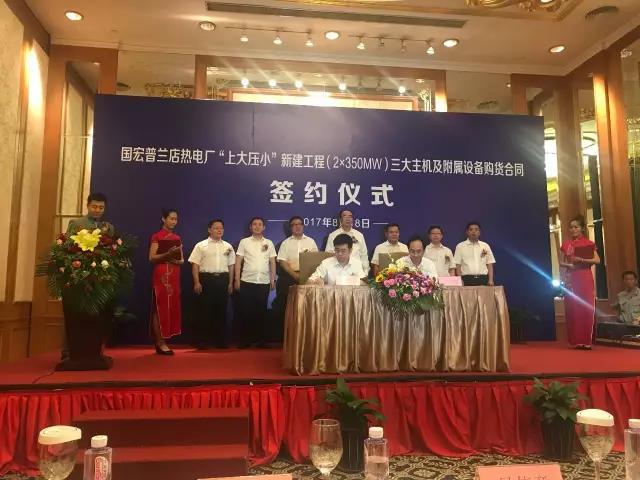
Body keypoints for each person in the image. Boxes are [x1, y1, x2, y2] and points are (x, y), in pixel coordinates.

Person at [188, 219, 236, 349]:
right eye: (216, 228)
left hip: (223, 280)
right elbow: (195, 264)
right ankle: (203, 341)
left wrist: (230, 283)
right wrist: (197, 282)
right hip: (206, 279)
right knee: (205, 311)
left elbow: (231, 266)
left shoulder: (228, 246)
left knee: (221, 311)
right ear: (209, 230)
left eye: (221, 228)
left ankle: (220, 341)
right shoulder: (201, 245)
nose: (219, 230)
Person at [559, 215, 601, 349]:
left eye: (576, 227)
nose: (573, 229)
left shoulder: (589, 243)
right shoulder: (566, 244)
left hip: (585, 276)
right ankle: (575, 341)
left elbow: (597, 260)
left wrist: (582, 260)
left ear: (582, 228)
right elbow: (561, 262)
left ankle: (586, 341)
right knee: (572, 307)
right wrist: (569, 265)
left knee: (586, 306)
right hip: (571, 277)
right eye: (571, 227)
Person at [234, 217, 277, 348]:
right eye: (254, 224)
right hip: (247, 280)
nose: (257, 226)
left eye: (260, 224)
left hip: (263, 281)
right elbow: (238, 261)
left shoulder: (269, 243)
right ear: (250, 227)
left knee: (261, 311)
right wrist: (237, 279)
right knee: (246, 312)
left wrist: (273, 279)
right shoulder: (244, 242)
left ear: (264, 227)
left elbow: (272, 262)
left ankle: (261, 340)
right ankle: (245, 340)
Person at [273, 216, 318, 336]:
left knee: (306, 308)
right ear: (290, 228)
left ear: (303, 226)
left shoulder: (311, 241)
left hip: (307, 278)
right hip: (288, 277)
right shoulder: (285, 243)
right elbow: (282, 261)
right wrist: (294, 275)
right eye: (294, 224)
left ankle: (305, 336)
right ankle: (286, 337)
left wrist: (304, 275)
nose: (297, 226)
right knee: (286, 308)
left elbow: (315, 260)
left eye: (299, 224)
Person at [148, 209, 184, 355]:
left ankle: (165, 340)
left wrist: (174, 259)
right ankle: (160, 342)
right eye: (171, 218)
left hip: (174, 274)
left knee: (171, 307)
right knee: (159, 307)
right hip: (161, 274)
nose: (174, 222)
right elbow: (152, 257)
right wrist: (167, 255)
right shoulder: (156, 236)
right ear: (164, 219)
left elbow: (181, 260)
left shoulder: (177, 238)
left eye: (176, 219)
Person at [325, 210, 369, 275]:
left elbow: (364, 255)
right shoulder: (333, 235)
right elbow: (328, 254)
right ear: (340, 219)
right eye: (345, 216)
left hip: (356, 270)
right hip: (338, 270)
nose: (348, 218)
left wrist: (365, 272)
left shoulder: (359, 235)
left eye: (350, 216)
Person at [454, 222, 496, 286]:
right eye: (471, 229)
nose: (473, 232)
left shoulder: (485, 245)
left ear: (479, 232)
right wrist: (460, 280)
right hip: (466, 279)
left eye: (476, 229)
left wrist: (491, 280)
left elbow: (489, 263)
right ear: (467, 232)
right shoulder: (460, 246)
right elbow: (457, 265)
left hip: (483, 279)